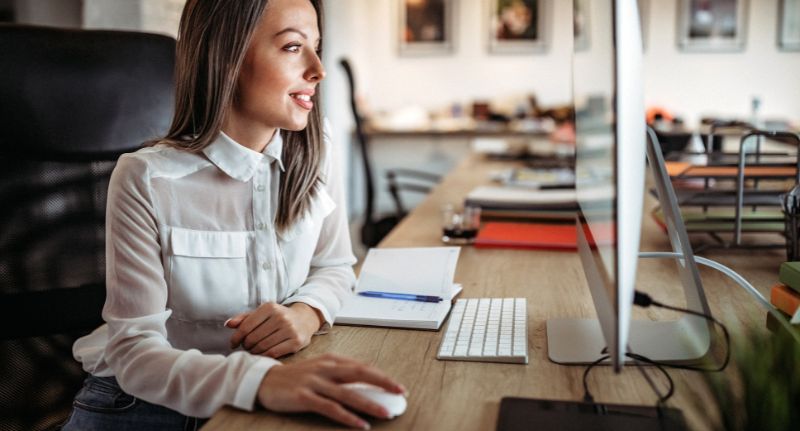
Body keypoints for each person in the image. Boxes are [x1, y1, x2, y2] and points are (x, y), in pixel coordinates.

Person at [62, 0, 404, 429]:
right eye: (294, 47)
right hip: (141, 405)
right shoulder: (145, 178)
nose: (319, 69)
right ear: (228, 58)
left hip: (269, 390)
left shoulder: (319, 148)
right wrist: (260, 382)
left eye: (317, 47)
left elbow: (334, 266)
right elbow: (134, 354)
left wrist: (306, 312)